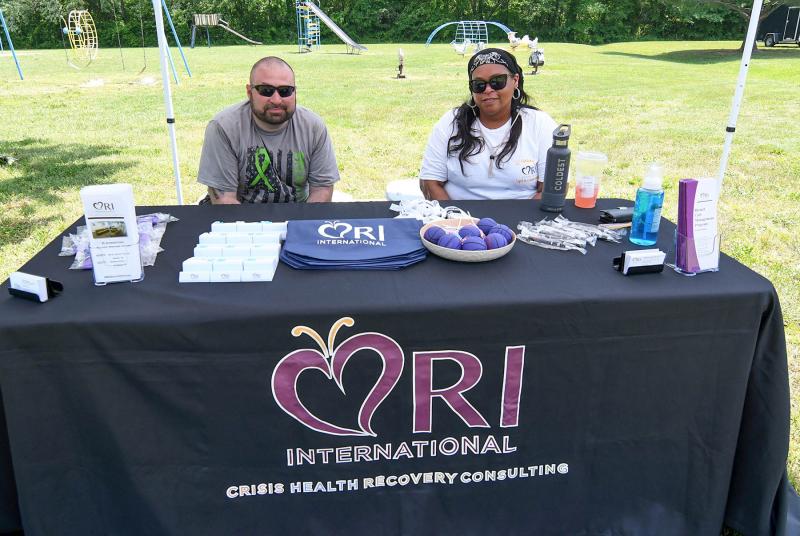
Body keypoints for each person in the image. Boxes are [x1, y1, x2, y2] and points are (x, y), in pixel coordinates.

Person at [419, 48, 558, 200]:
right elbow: (430, 182)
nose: (488, 90)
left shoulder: (539, 124)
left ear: (515, 80)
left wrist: (523, 216)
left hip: (524, 214)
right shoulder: (451, 122)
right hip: (458, 213)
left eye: (497, 82)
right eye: (479, 84)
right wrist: (453, 214)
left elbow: (552, 188)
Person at [197, 56, 339, 204]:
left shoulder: (313, 127)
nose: (276, 100)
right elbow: (224, 199)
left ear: (295, 92)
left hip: (299, 212)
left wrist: (300, 219)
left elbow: (322, 190)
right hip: (240, 213)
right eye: (266, 90)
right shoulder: (224, 128)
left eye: (285, 91)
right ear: (249, 92)